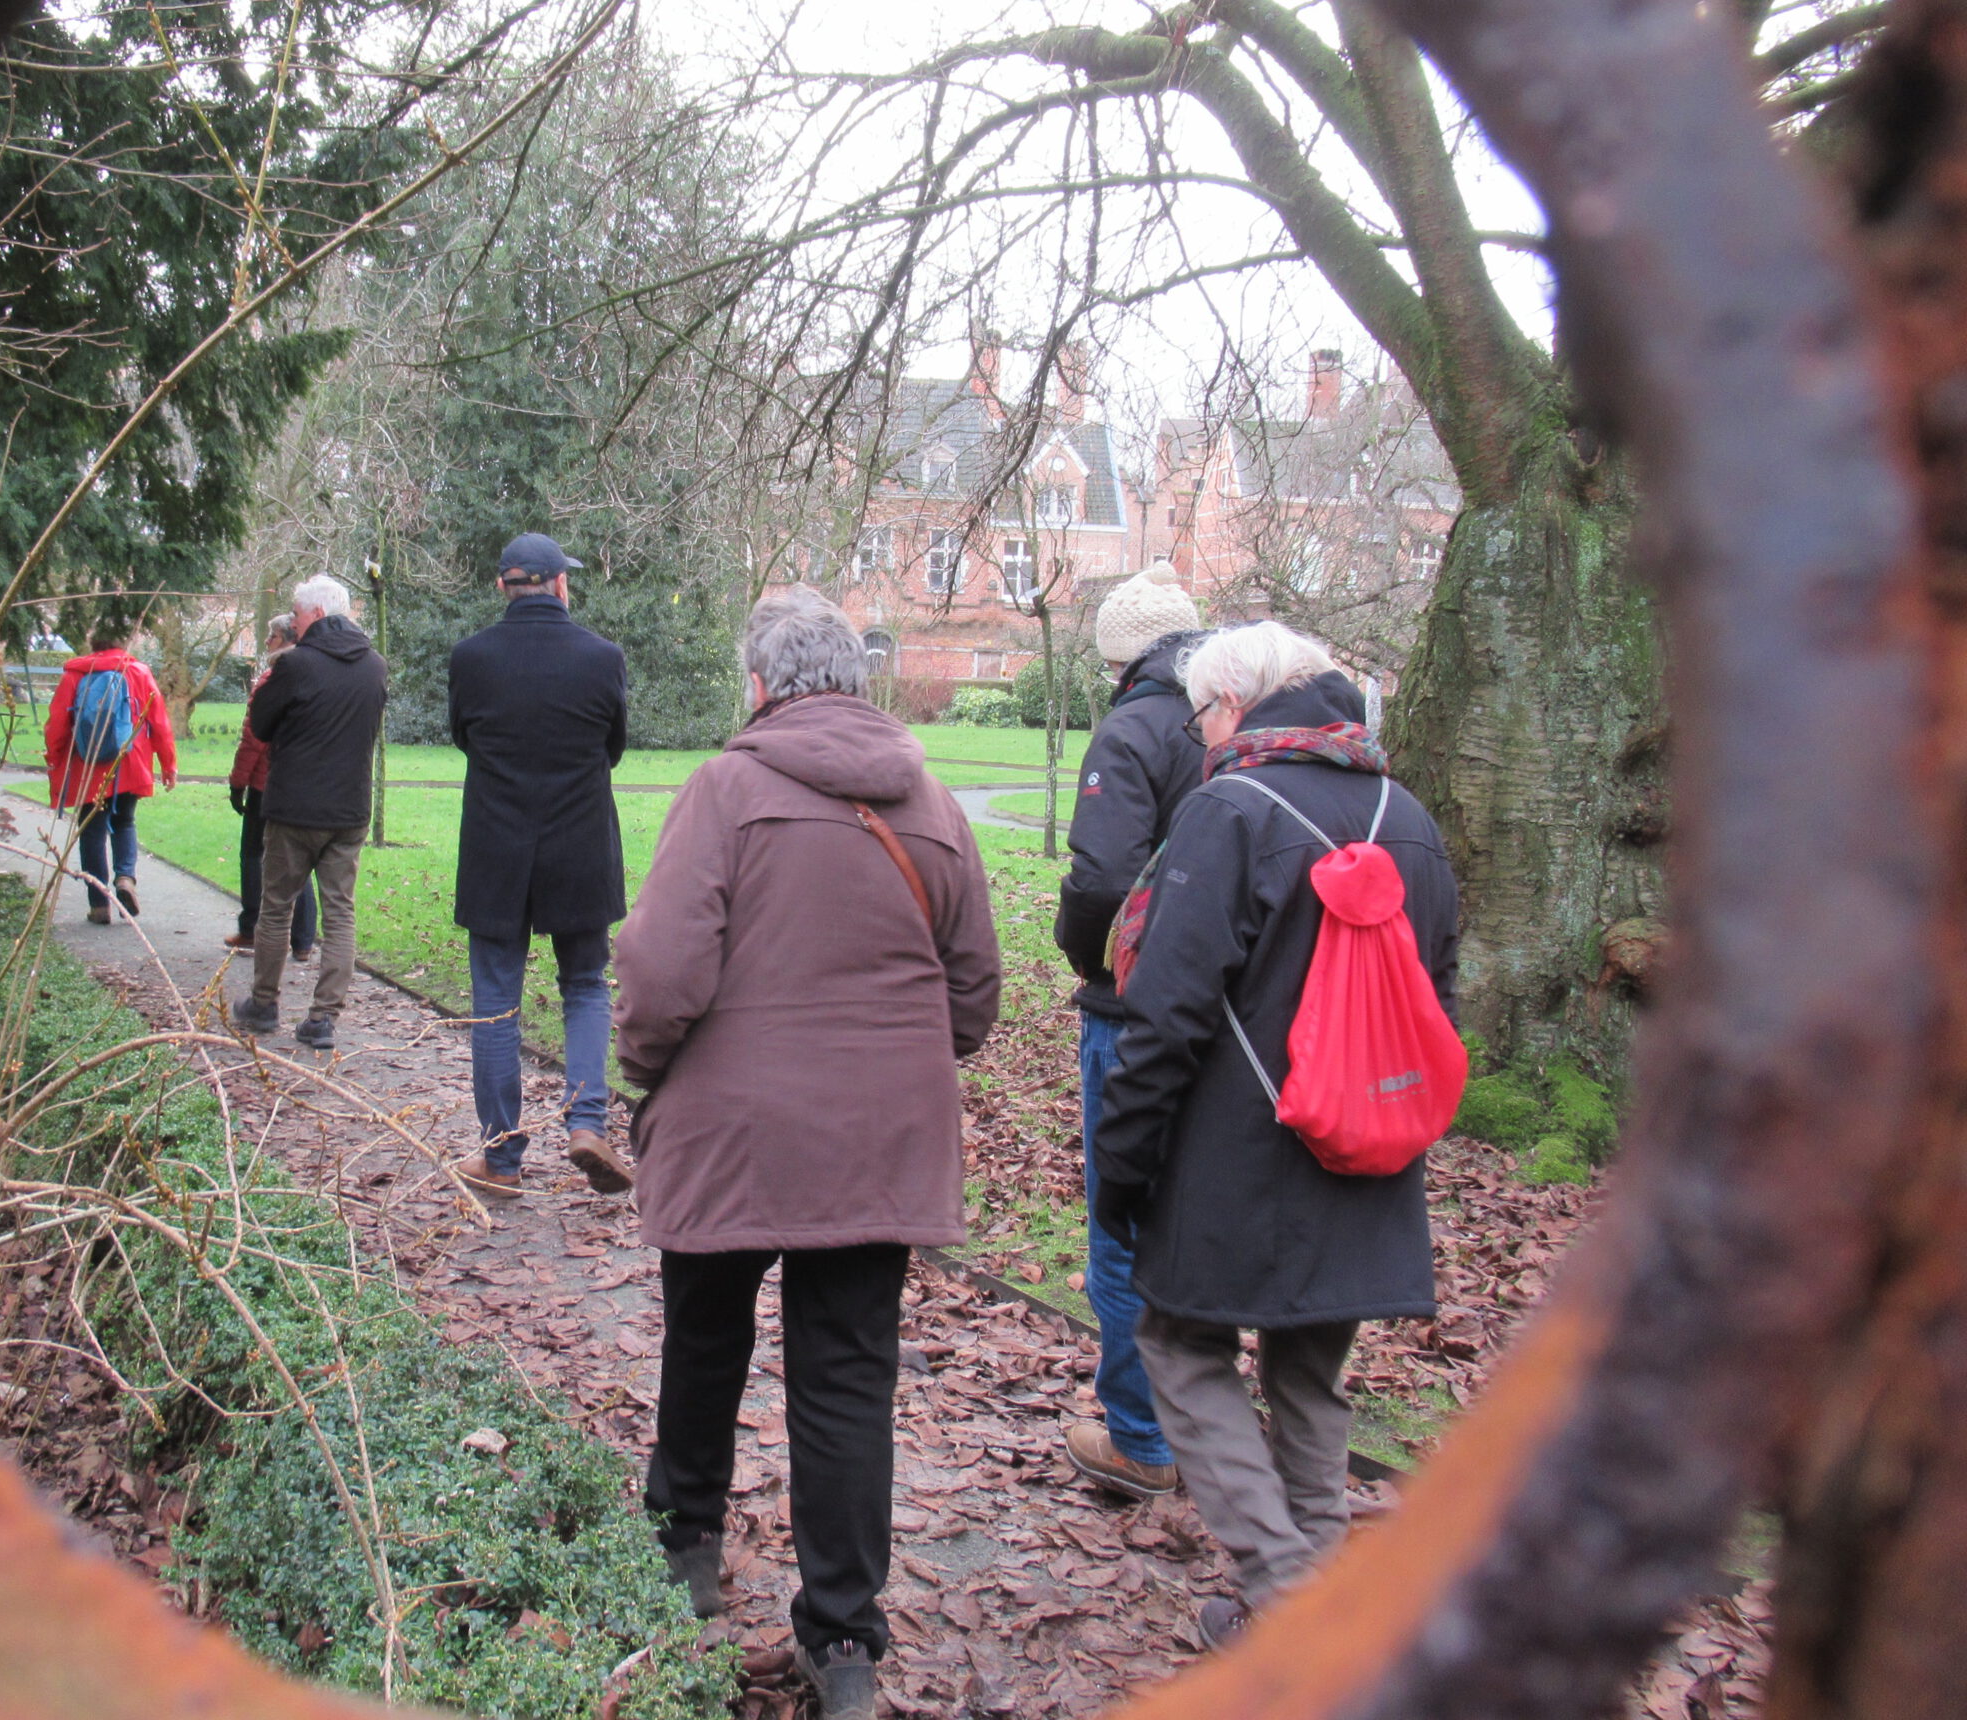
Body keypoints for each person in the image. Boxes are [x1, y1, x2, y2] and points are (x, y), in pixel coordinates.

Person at [616, 587, 1000, 1720]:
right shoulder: (929, 803)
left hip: (733, 1131)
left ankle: (686, 1545)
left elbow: (661, 972)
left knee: (704, 1339)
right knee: (846, 1384)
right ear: (858, 679)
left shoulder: (727, 789)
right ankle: (843, 1641)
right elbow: (973, 991)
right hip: (877, 1145)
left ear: (760, 683)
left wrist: (646, 1070)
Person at [1091, 621, 1459, 1649]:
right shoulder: (1411, 817)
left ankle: (1288, 1596)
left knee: (1179, 1346)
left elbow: (1162, 1020)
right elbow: (1440, 1003)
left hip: (1237, 1165)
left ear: (1241, 705)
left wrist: (1120, 1168)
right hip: (1366, 1155)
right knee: (1308, 1375)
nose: (1199, 734)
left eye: (1205, 712)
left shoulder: (1232, 812)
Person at [1051, 563, 1203, 1503]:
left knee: (1122, 1219)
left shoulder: (1134, 728)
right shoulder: (1232, 720)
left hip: (1134, 1009)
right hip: (1224, 1012)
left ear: (1120, 657)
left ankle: (1140, 1436)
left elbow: (1102, 878)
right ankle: (1197, 1422)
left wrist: (1087, 958)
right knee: (1194, 1220)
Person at [445, 532, 634, 1197]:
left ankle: (500, 1158)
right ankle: (588, 1124)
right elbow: (613, 746)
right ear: (559, 586)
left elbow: (464, 737)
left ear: (503, 587)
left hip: (497, 851)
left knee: (496, 1004)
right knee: (585, 984)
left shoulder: (470, 659)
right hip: (579, 848)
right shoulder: (602, 658)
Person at [231, 575, 387, 1051]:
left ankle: (263, 1004)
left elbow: (261, 721)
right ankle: (323, 1018)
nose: (292, 620)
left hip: (296, 807)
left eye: (296, 613)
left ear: (316, 613)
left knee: (276, 907)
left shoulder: (295, 665)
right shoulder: (375, 666)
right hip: (349, 809)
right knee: (340, 912)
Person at [43, 621, 177, 925]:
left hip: (89, 765)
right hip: (130, 760)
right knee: (124, 821)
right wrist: (168, 764)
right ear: (124, 644)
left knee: (92, 830)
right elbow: (159, 721)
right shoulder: (138, 672)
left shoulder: (75, 675)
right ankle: (126, 877)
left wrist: (53, 757)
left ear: (93, 643)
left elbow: (57, 724)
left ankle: (99, 904)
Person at [225, 613, 319, 961]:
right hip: (302, 784)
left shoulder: (272, 678)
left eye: (271, 637)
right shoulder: (314, 674)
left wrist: (238, 783)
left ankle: (251, 928)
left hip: (267, 785)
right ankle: (304, 938)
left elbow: (254, 738)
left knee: (253, 855)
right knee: (299, 859)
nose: (267, 644)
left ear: (287, 640)